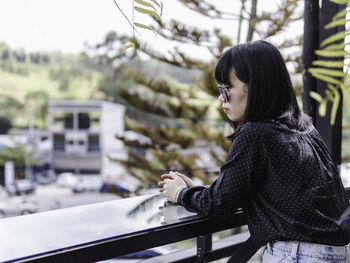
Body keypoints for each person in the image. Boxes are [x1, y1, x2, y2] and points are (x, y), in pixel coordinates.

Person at [158, 40, 350, 263]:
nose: (221, 98)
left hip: (298, 255)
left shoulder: (255, 133)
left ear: (257, 86)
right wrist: (200, 191)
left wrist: (180, 194)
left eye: (226, 89)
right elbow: (253, 190)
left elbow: (220, 205)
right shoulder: (304, 128)